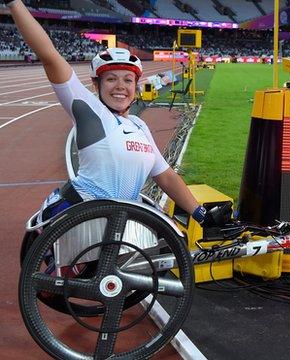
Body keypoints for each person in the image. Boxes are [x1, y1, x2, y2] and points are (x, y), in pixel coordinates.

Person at [5, 0, 220, 227]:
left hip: (123, 224)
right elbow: (49, 55)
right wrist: (14, 3)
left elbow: (165, 175)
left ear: (136, 87)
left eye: (128, 80)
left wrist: (200, 214)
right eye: (111, 79)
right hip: (83, 220)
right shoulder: (90, 110)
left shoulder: (139, 126)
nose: (120, 86)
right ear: (96, 85)